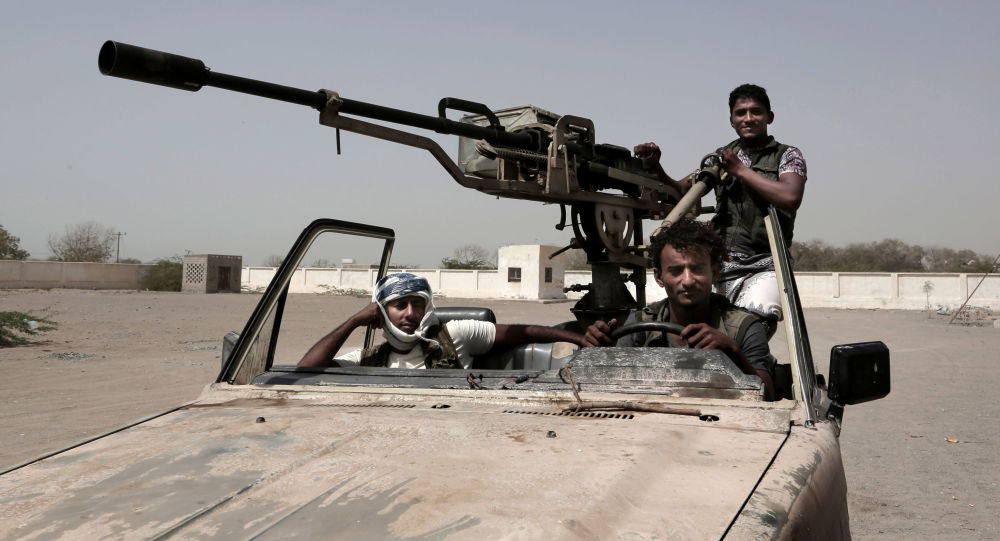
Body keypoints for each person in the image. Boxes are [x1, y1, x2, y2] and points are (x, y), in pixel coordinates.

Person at [635, 83, 806, 327]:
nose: (748, 118)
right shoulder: (720, 157)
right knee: (695, 326)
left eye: (756, 111)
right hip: (719, 267)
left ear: (769, 117)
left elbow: (791, 197)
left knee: (753, 325)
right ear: (732, 121)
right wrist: (656, 167)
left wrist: (740, 170)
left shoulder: (787, 155)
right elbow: (682, 193)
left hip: (766, 265)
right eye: (741, 113)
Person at [582, 219, 775, 400]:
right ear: (659, 277)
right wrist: (599, 353)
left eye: (697, 269)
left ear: (715, 273)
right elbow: (612, 390)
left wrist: (732, 352)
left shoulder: (743, 328)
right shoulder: (639, 327)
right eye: (676, 271)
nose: (688, 281)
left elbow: (768, 397)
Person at [298, 272, 584, 369]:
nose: (410, 313)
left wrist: (580, 338)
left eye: (417, 304)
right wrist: (352, 322)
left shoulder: (455, 335)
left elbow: (523, 332)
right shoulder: (368, 360)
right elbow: (306, 369)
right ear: (381, 312)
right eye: (399, 305)